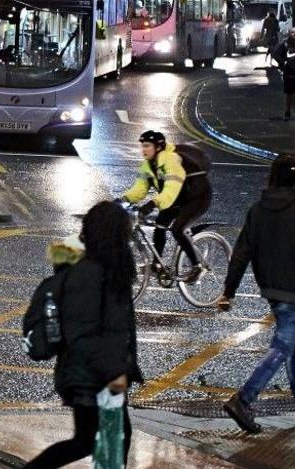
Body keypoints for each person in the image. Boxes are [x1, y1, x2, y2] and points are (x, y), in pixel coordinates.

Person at [23, 201, 142, 469]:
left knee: (89, 442)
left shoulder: (106, 268)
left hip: (97, 373)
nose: (128, 238)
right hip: (95, 376)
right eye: (124, 232)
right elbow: (83, 333)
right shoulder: (89, 274)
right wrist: (115, 372)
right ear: (111, 234)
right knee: (107, 447)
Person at [219, 154, 295, 434]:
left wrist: (229, 290)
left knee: (294, 344)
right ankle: (244, 398)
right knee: (282, 346)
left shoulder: (257, 209)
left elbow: (241, 252)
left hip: (271, 288)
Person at [122, 130, 212, 276]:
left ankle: (197, 266)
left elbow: (171, 189)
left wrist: (151, 205)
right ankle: (157, 265)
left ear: (158, 147)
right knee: (159, 225)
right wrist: (123, 200)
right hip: (177, 198)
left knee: (178, 229)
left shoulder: (172, 160)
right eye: (142, 146)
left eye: (147, 146)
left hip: (197, 197)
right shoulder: (147, 165)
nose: (143, 149)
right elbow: (139, 189)